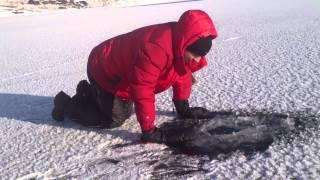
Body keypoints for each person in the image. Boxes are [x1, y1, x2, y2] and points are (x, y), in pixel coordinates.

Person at [51, 9, 218, 143]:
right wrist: (149, 131)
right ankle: (66, 104)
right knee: (114, 119)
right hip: (103, 68)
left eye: (200, 56)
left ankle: (90, 93)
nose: (198, 60)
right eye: (195, 54)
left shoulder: (181, 41)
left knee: (124, 108)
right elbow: (143, 89)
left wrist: (183, 107)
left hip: (125, 68)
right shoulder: (156, 49)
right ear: (186, 44)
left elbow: (182, 73)